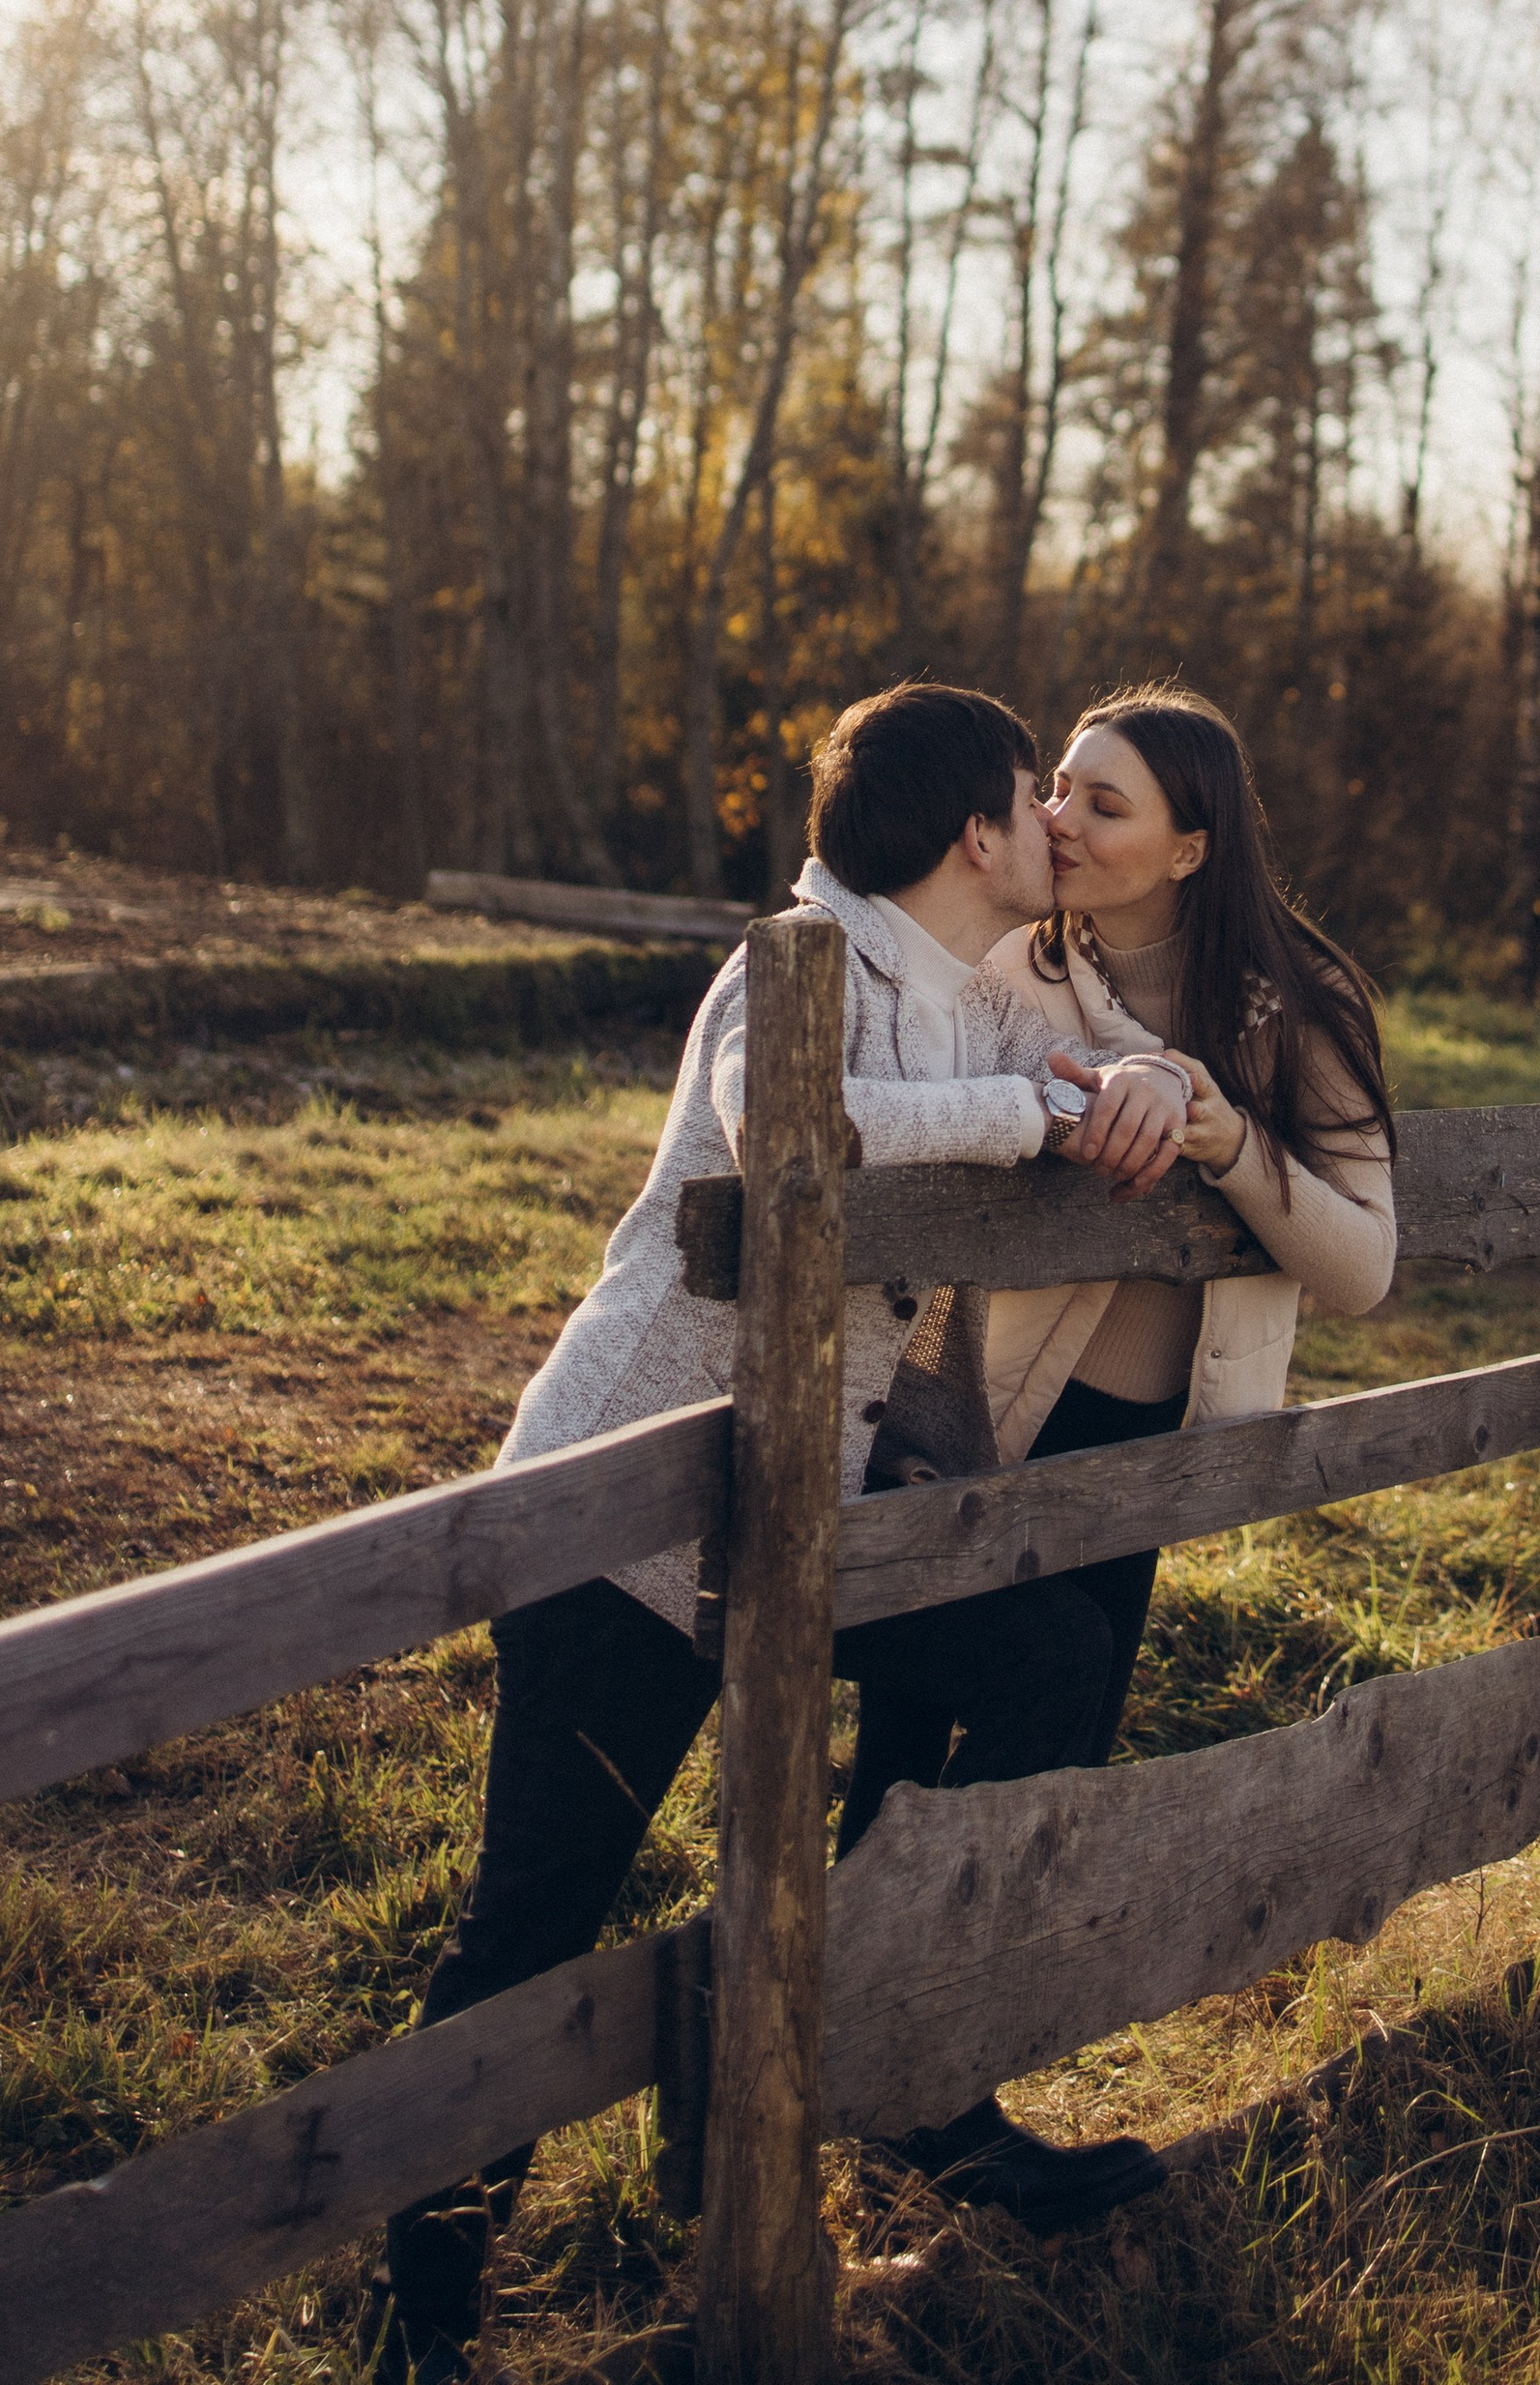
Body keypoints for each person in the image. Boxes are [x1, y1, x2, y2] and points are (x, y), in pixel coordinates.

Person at [363, 684, 1191, 2385]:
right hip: (629, 1521)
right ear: (973, 831)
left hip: (803, 1518)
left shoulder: (970, 988)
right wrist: (1033, 1114)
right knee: (540, 1917)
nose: (1052, 821)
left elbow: (1069, 1071)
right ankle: (423, 2310)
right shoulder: (789, 956)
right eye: (1035, 793)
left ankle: (902, 2075)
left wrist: (1139, 1088)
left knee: (1048, 1653)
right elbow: (796, 1132)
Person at [838, 682, 1398, 1851]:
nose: (1058, 819)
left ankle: (969, 1995)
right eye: (1055, 791)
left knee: (1057, 1757)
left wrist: (1236, 1145)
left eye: (1103, 804)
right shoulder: (1008, 967)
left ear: (1188, 849)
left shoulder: (1299, 1005)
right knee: (897, 1753)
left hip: (1136, 1437)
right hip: (972, 1403)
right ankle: (847, 1989)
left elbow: (1362, 1269)